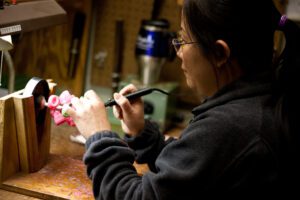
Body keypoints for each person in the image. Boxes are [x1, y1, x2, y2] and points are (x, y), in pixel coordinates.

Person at [65, 0, 300, 199]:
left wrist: (99, 138)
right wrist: (142, 134)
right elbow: (195, 171)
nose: (178, 52)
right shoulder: (259, 102)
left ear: (220, 53)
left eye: (183, 40)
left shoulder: (231, 126)